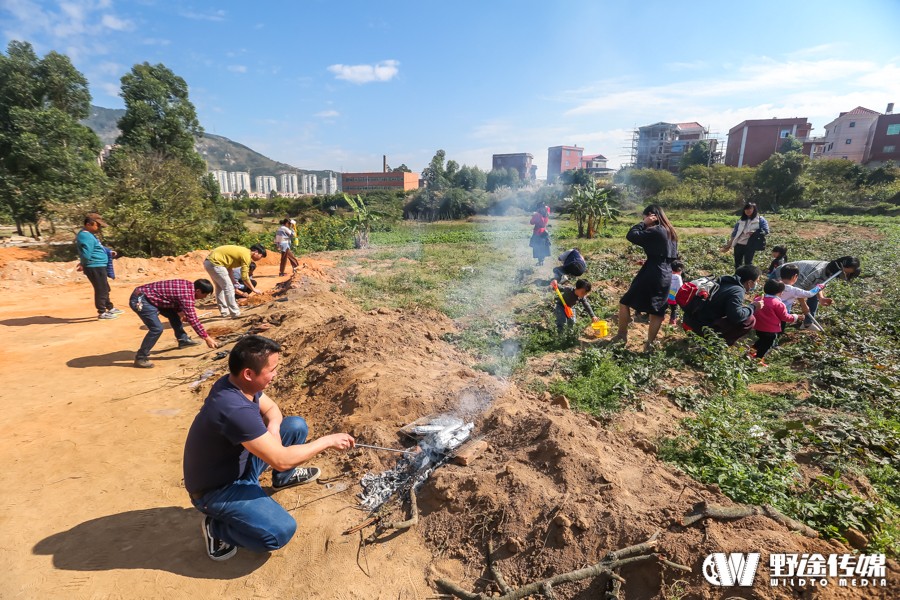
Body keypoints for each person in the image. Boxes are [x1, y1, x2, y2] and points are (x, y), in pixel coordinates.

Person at [183, 335, 355, 561]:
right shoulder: (233, 408)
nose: (275, 375)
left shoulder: (237, 384)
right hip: (217, 489)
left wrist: (273, 429)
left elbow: (272, 408)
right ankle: (217, 529)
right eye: (271, 370)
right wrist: (327, 441)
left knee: (294, 426)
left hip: (238, 466)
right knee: (279, 532)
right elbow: (281, 459)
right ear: (248, 373)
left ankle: (282, 479)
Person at [612, 205, 679, 352]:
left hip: (652, 271)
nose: (643, 220)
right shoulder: (671, 232)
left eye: (644, 217)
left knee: (625, 302)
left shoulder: (655, 230)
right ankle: (649, 344)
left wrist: (644, 223)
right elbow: (670, 256)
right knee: (657, 310)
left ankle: (622, 335)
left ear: (651, 215)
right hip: (666, 272)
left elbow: (631, 235)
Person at [129, 279, 220, 368]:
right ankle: (141, 357)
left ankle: (183, 340)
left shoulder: (188, 286)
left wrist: (180, 312)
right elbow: (193, 319)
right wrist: (207, 338)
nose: (204, 297)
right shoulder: (187, 295)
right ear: (198, 290)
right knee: (156, 329)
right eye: (205, 295)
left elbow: (173, 298)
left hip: (152, 297)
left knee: (174, 315)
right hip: (141, 300)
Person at [682, 264, 763, 346]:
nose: (756, 284)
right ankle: (715, 344)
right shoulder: (738, 291)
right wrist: (753, 307)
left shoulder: (721, 281)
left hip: (687, 322)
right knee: (750, 319)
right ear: (749, 282)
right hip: (699, 330)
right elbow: (736, 316)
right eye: (756, 281)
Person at [770, 256, 860, 329]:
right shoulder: (817, 271)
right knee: (780, 301)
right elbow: (797, 289)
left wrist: (821, 298)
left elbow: (817, 285)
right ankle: (771, 324)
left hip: (798, 280)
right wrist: (804, 305)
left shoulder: (830, 271)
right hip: (782, 274)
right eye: (845, 273)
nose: (844, 276)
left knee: (813, 297)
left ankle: (807, 324)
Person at [76, 213, 123, 320]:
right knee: (101, 289)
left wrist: (108, 252)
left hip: (98, 265)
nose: (99, 227)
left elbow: (96, 248)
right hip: (94, 266)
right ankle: (102, 312)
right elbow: (86, 253)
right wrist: (83, 264)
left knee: (105, 288)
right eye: (97, 225)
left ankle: (109, 308)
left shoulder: (89, 235)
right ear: (88, 224)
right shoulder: (85, 236)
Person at [203, 244, 267, 318]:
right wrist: (254, 289)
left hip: (209, 262)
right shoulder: (246, 255)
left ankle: (225, 312)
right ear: (256, 252)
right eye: (261, 256)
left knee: (220, 288)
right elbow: (245, 277)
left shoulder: (242, 252)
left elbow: (229, 267)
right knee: (229, 288)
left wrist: (233, 280)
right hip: (216, 263)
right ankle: (235, 313)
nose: (260, 258)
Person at [749, 278, 800, 366]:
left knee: (761, 340)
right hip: (770, 329)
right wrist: (795, 317)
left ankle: (750, 352)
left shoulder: (758, 299)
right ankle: (758, 359)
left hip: (758, 326)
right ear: (780, 292)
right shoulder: (778, 304)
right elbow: (785, 317)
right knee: (767, 344)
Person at [721, 202, 769, 270]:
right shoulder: (741, 220)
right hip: (739, 244)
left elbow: (766, 231)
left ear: (754, 209)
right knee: (737, 264)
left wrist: (755, 232)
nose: (748, 211)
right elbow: (735, 233)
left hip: (750, 245)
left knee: (748, 264)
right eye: (746, 209)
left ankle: (748, 278)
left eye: (750, 209)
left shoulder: (760, 220)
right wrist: (729, 245)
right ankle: (738, 278)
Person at [666, 260, 685, 326]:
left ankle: (660, 317)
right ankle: (672, 321)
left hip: (666, 294)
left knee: (663, 307)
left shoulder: (668, 274)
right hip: (673, 295)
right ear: (679, 270)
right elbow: (680, 287)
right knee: (674, 309)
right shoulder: (678, 277)